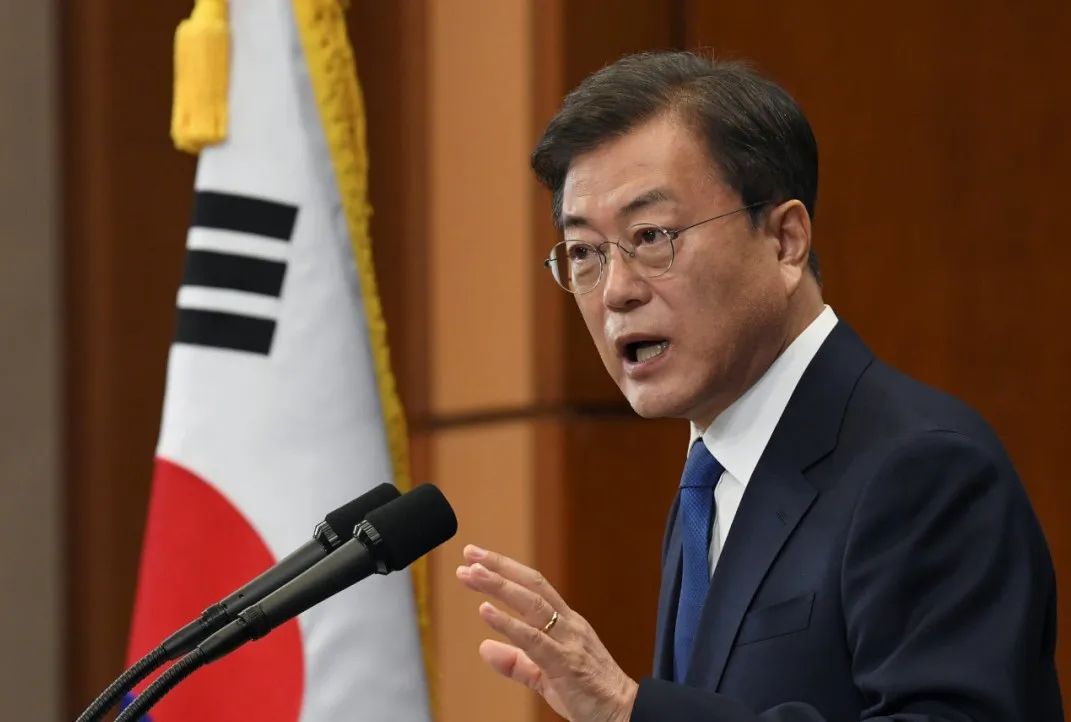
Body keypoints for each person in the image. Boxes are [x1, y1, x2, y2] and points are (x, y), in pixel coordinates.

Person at [455, 51, 1062, 721]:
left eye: (651, 236)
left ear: (784, 240)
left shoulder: (925, 468)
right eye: (584, 253)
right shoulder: (710, 479)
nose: (616, 291)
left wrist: (631, 710)